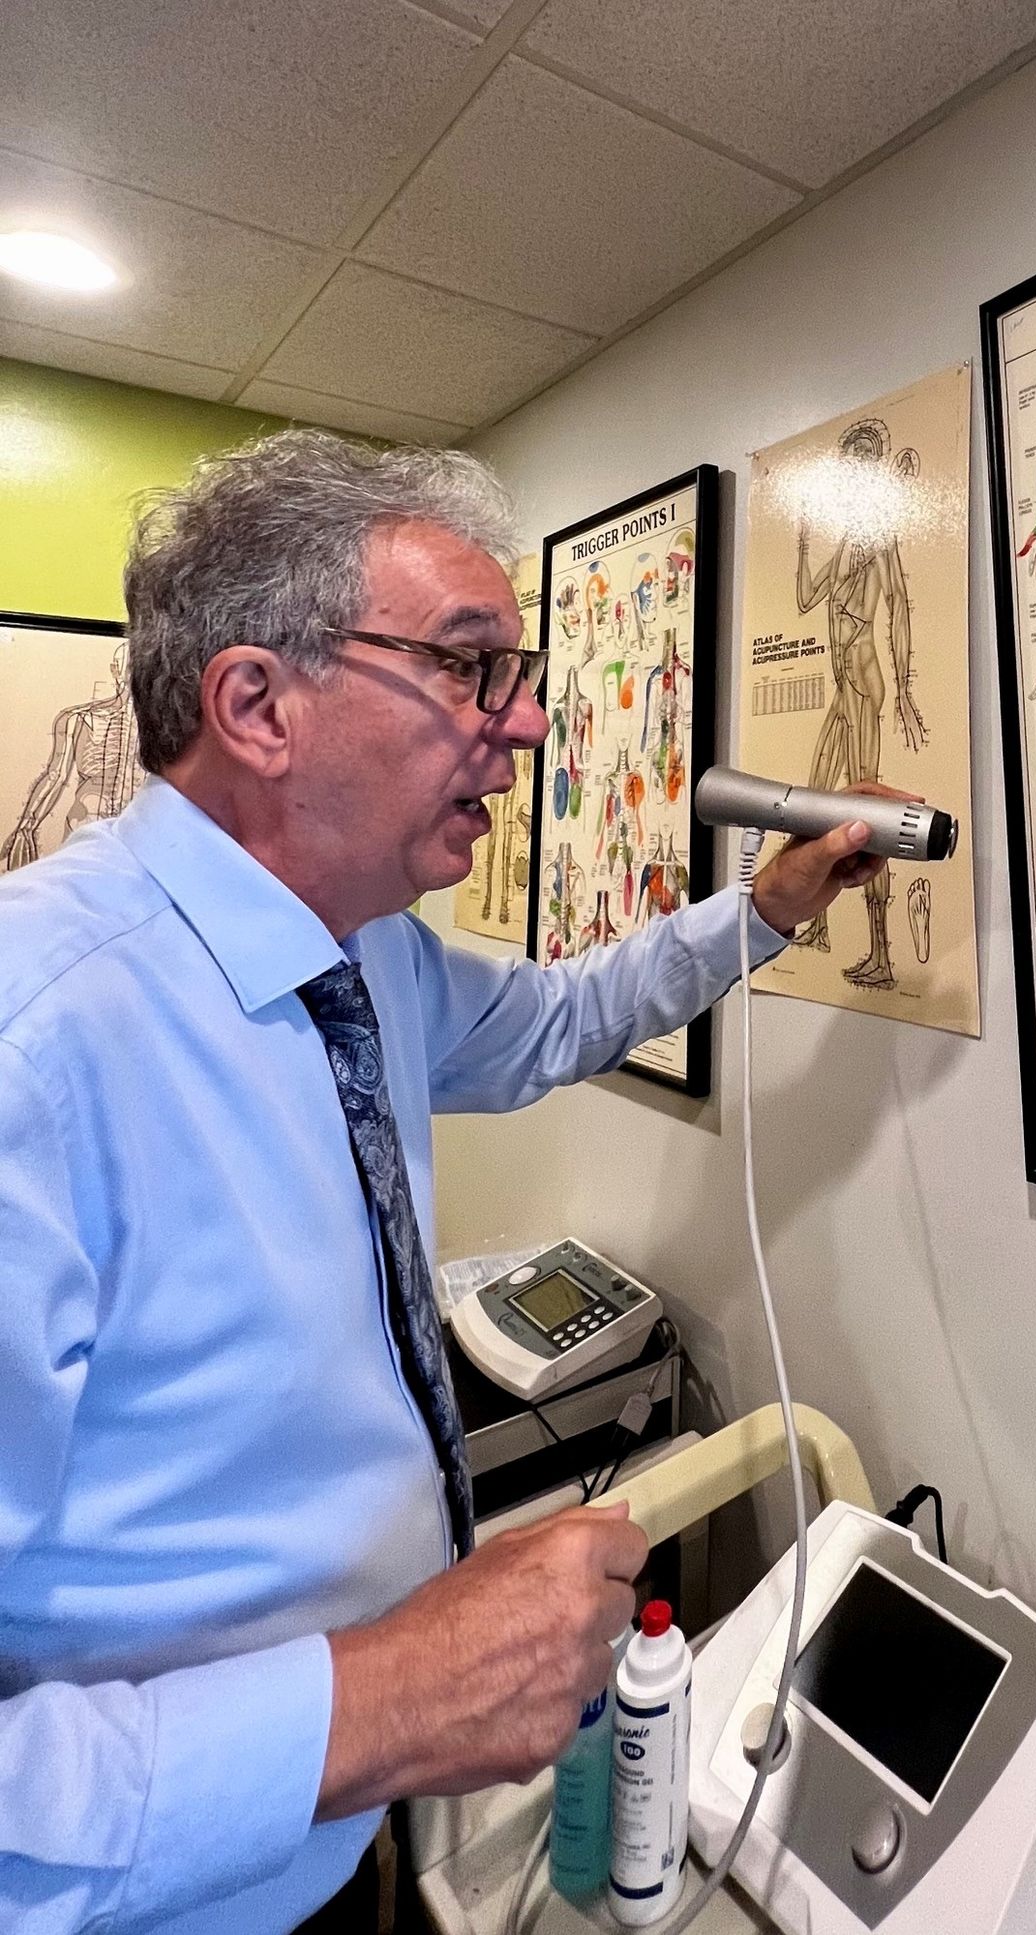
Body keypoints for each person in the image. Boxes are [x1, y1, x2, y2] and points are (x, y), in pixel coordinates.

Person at [0, 431, 887, 1933]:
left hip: (345, 1853)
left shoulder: (369, 955)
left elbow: (558, 1019)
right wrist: (386, 1699)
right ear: (258, 706)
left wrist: (767, 911)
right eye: (472, 665)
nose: (529, 721)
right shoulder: (39, 1044)